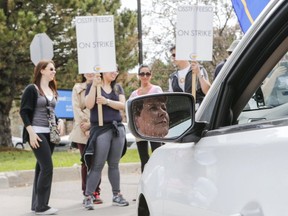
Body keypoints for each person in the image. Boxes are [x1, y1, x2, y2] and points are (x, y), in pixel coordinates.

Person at [20, 59, 62, 215]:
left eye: (54, 69)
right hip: (36, 132)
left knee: (40, 167)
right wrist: (31, 133)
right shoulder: (32, 89)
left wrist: (60, 121)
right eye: (51, 69)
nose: (54, 72)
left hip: (49, 133)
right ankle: (42, 207)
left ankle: (36, 204)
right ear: (42, 70)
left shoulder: (52, 89)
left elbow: (51, 112)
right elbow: (24, 112)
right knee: (47, 167)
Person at [82, 68, 129, 210]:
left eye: (117, 70)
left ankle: (117, 194)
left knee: (114, 164)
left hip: (117, 128)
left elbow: (123, 106)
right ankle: (88, 196)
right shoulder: (92, 86)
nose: (115, 73)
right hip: (101, 129)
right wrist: (94, 87)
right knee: (98, 164)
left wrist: (107, 101)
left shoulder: (117, 87)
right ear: (102, 71)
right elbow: (89, 105)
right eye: (112, 70)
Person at [69, 73, 102, 204]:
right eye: (87, 70)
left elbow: (101, 109)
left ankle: (96, 191)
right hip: (82, 130)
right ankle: (86, 193)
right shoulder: (77, 88)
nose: (90, 73)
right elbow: (76, 109)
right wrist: (86, 126)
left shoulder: (100, 87)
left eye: (92, 70)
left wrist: (92, 125)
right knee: (86, 162)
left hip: (96, 128)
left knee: (97, 162)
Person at [129, 64, 163, 173]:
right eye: (142, 74)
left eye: (147, 73)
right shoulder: (134, 94)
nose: (145, 76)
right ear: (138, 76)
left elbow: (162, 106)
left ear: (151, 75)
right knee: (144, 158)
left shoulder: (156, 89)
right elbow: (130, 110)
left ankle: (158, 180)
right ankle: (145, 181)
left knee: (157, 155)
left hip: (154, 127)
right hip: (141, 128)